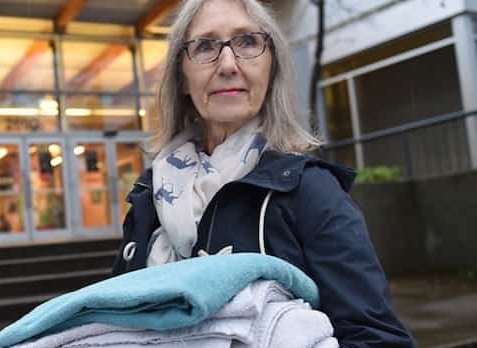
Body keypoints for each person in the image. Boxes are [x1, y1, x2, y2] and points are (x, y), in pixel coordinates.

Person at [111, 0, 417, 347]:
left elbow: (377, 339)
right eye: (206, 46)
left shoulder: (311, 192)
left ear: (271, 68)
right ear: (182, 77)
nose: (228, 64)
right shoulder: (148, 198)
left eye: (247, 42)